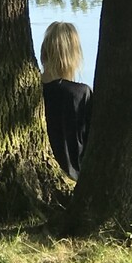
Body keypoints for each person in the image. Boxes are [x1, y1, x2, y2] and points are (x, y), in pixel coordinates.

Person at [40, 21, 93, 181]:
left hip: (38, 177)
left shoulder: (30, 89)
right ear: (74, 55)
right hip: (75, 178)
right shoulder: (81, 94)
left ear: (44, 51)